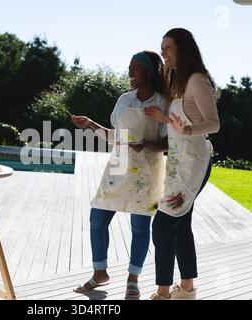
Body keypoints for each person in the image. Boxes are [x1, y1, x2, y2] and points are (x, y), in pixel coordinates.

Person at [71, 51, 168, 299]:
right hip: (119, 162)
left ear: (149, 72)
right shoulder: (124, 100)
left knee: (139, 225)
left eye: (135, 67)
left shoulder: (163, 103)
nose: (129, 72)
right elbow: (116, 137)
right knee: (97, 217)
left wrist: (146, 144)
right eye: (129, 67)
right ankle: (100, 272)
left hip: (147, 169)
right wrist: (91, 124)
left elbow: (170, 143)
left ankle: (133, 279)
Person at [144, 28, 220, 300]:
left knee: (163, 225)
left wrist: (186, 131)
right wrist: (165, 121)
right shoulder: (179, 80)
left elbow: (214, 123)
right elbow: (183, 120)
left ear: (182, 49)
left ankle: (163, 293)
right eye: (162, 47)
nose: (163, 52)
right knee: (180, 224)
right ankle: (186, 290)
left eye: (168, 48)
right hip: (178, 161)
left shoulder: (197, 80)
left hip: (193, 163)